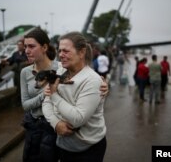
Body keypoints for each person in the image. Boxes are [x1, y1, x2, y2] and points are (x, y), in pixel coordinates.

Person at [20, 28, 109, 162]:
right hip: (61, 143)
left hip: (86, 147)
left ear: (82, 52)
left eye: (66, 51)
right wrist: (56, 123)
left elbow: (77, 118)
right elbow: (46, 102)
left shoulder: (87, 78)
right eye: (60, 50)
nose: (61, 54)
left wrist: (54, 94)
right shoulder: (61, 70)